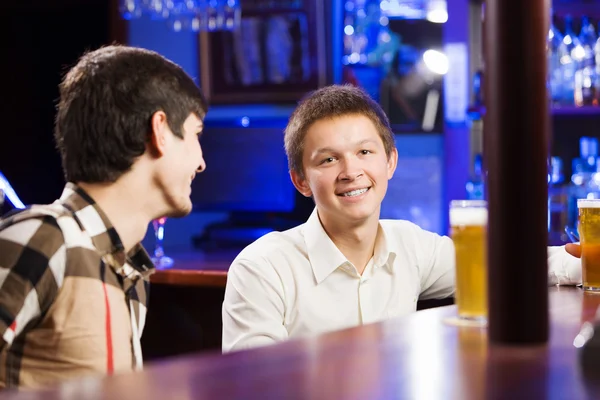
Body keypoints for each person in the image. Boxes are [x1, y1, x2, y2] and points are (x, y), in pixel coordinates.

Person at [222, 84, 581, 352]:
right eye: (328, 160)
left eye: (364, 152)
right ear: (301, 180)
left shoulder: (410, 245)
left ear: (390, 162)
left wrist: (586, 258)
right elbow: (252, 384)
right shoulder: (262, 267)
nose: (351, 171)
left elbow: (507, 265)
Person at [0, 45, 208, 388]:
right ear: (159, 132)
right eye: (196, 134)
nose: (201, 162)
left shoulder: (130, 271)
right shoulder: (45, 238)